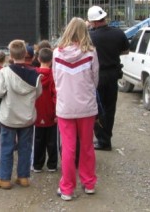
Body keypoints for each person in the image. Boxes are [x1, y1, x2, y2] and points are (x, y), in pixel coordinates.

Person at [53, 17, 99, 201]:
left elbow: (56, 79)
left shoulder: (57, 53)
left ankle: (67, 188)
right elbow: (95, 79)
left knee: (68, 148)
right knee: (87, 146)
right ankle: (89, 183)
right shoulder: (91, 53)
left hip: (65, 107)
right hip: (86, 107)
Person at [0, 39, 42, 189]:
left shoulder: (4, 72)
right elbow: (39, 93)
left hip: (9, 117)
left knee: (6, 147)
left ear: (11, 56)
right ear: (26, 54)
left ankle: (4, 179)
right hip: (27, 117)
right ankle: (23, 177)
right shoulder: (35, 74)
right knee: (25, 148)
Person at [87, 5, 129, 151]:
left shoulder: (90, 37)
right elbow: (125, 51)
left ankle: (101, 140)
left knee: (97, 108)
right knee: (110, 109)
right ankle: (106, 139)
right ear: (104, 18)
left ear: (93, 22)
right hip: (112, 75)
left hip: (97, 76)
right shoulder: (118, 33)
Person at [32, 47, 58, 173]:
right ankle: (52, 164)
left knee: (38, 140)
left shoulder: (33, 74)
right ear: (52, 60)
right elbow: (55, 95)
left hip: (36, 112)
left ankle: (37, 164)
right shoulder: (54, 75)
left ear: (38, 59)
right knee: (52, 140)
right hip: (51, 112)